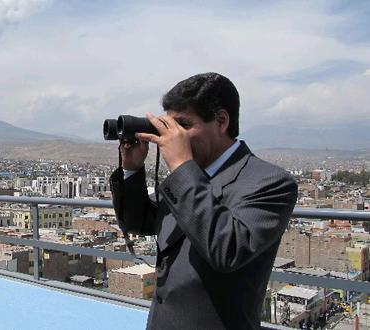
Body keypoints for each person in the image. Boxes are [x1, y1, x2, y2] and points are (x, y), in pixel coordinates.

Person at [109, 72, 298, 329]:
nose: (175, 137)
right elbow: (138, 222)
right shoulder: (186, 179)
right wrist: (131, 169)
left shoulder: (269, 182)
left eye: (184, 125)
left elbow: (227, 250)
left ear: (221, 121)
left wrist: (181, 165)